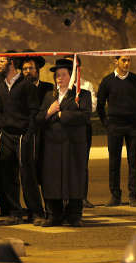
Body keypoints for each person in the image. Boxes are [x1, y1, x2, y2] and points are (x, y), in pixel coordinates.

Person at [37, 58, 91, 227]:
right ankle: (54, 215)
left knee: (74, 179)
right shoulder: (49, 96)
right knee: (52, 180)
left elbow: (84, 116)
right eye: (57, 75)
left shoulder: (81, 94)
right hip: (52, 146)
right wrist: (48, 112)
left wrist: (61, 115)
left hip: (73, 145)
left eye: (63, 75)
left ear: (71, 76)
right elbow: (38, 119)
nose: (59, 78)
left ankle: (74, 215)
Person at [0, 50, 45, 225]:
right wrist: (0, 131)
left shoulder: (26, 85)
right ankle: (15, 212)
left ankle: (37, 212)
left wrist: (28, 134)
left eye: (1, 61)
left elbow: (34, 112)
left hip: (23, 135)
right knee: (8, 176)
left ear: (11, 63)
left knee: (27, 175)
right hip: (6, 136)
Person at [97, 56, 136, 207]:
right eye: (124, 60)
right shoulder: (107, 81)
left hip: (134, 128)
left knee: (134, 163)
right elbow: (100, 105)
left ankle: (133, 195)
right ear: (116, 61)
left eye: (129, 60)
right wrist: (107, 124)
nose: (127, 63)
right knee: (114, 162)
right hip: (114, 127)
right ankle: (115, 195)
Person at [64, 55, 97, 209]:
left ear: (78, 68)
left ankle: (82, 197)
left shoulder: (87, 85)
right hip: (63, 129)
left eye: (71, 65)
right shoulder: (58, 85)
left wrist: (70, 111)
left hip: (83, 129)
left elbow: (92, 108)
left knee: (82, 163)